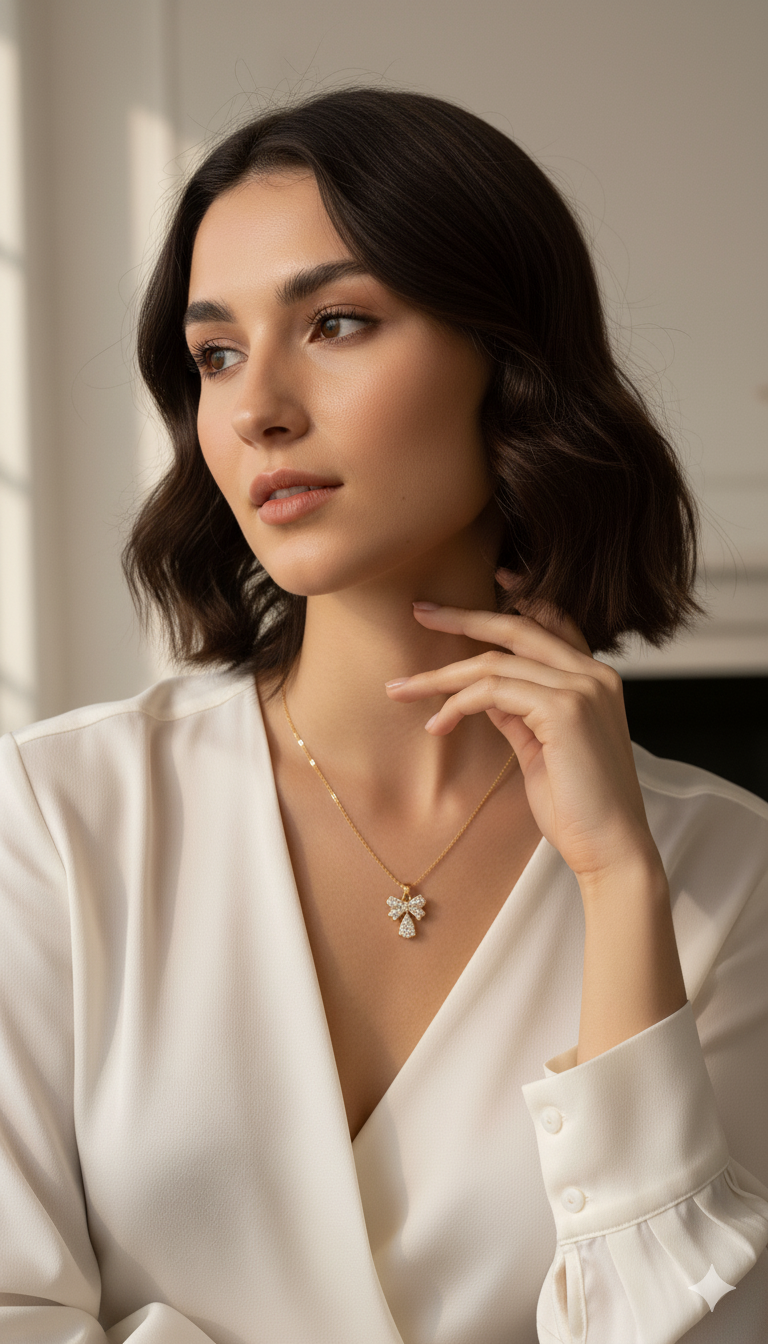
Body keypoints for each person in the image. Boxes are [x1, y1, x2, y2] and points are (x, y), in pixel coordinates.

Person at [0, 87, 766, 1344]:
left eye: (337, 322)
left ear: (507, 363)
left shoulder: (723, 875)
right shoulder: (53, 818)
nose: (255, 411)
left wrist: (620, 883)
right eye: (216, 355)